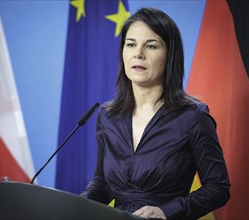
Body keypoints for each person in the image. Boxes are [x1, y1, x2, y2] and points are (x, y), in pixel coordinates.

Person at [80, 7, 230, 220]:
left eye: (150, 46)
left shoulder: (193, 117)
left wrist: (166, 211)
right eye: (130, 44)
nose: (138, 53)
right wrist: (76, 204)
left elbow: (219, 187)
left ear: (170, 55)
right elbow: (103, 183)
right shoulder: (107, 115)